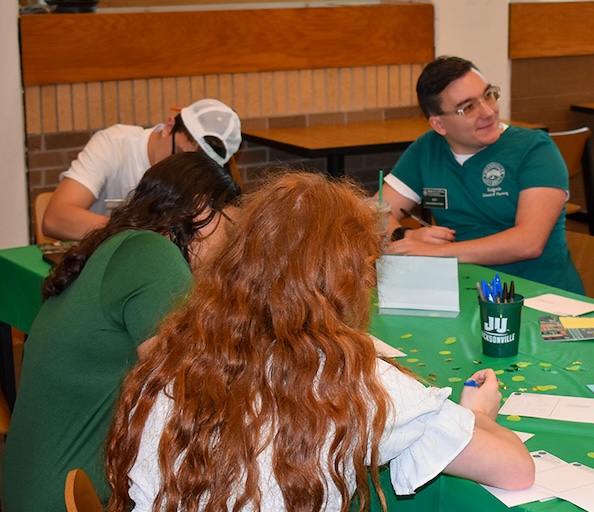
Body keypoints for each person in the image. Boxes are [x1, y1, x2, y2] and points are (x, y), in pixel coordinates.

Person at [105, 172, 534, 512]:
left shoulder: (179, 346)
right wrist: (477, 415)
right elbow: (515, 469)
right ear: (344, 280)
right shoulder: (350, 377)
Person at [2, 152, 241, 512]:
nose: (233, 248)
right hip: (74, 499)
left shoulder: (119, 244)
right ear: (201, 210)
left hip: (38, 488)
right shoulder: (153, 254)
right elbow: (187, 389)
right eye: (232, 228)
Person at [378, 56, 584, 294]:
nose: (488, 111)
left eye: (488, 95)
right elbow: (374, 212)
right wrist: (404, 235)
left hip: (542, 298)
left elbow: (529, 242)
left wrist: (436, 252)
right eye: (468, 107)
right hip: (465, 292)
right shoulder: (428, 149)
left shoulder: (534, 148)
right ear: (439, 125)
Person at [42, 98, 242, 241]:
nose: (181, 169)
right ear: (168, 127)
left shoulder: (203, 179)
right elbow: (55, 218)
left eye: (193, 166)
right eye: (178, 154)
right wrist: (142, 235)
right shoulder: (114, 144)